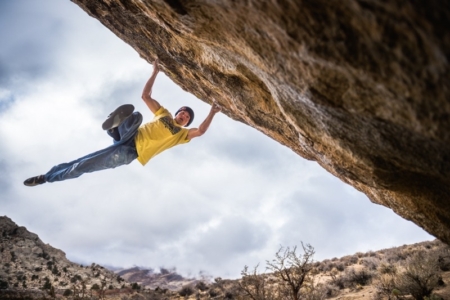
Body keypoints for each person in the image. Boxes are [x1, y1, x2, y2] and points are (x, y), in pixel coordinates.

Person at [23, 59, 222, 187]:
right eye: (183, 112)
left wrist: (212, 112)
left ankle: (45, 177)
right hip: (131, 135)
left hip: (130, 152)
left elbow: (201, 131)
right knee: (137, 116)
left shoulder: (182, 135)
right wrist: (155, 72)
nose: (184, 115)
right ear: (177, 112)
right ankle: (115, 129)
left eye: (187, 117)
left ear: (187, 123)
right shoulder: (165, 115)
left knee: (82, 165)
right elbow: (145, 96)